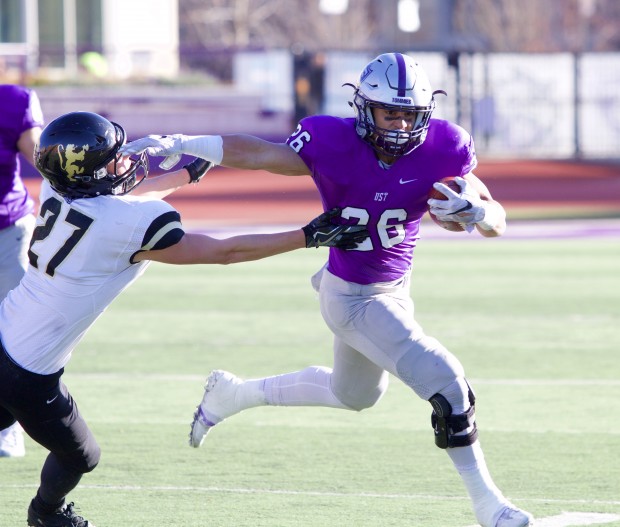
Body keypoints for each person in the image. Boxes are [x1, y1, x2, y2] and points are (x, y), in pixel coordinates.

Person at [121, 53, 534, 527]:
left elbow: (495, 218)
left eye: (409, 114)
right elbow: (256, 152)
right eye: (389, 113)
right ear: (364, 110)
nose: (400, 125)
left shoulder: (446, 148)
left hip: (393, 289)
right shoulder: (333, 141)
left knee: (355, 395)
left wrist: (478, 214)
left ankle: (233, 394)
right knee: (447, 381)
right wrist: (185, 142)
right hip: (352, 296)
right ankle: (490, 507)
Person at [0, 111, 367, 527]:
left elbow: (122, 199)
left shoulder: (55, 188)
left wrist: (189, 174)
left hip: (4, 335)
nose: (125, 161)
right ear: (90, 173)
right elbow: (223, 251)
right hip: (29, 374)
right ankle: (45, 515)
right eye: (114, 158)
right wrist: (305, 235)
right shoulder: (125, 223)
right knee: (81, 455)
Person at [0, 84, 45, 458]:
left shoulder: (14, 100)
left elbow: (43, 158)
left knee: (13, 332)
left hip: (7, 231)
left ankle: (7, 425)